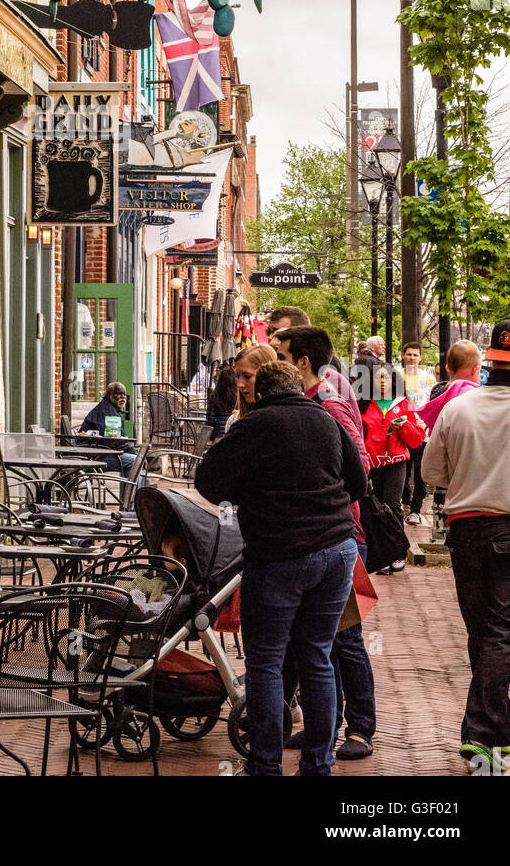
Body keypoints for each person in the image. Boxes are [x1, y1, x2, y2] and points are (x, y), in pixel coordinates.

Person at [196, 359, 366, 777]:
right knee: (318, 658)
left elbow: (208, 482)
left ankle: (265, 765)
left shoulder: (254, 427)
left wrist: (247, 490)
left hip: (279, 555)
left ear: (261, 391)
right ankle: (318, 764)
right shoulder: (326, 419)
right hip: (337, 550)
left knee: (267, 663)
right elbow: (359, 481)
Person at [274, 327, 376, 760]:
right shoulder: (311, 402)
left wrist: (324, 504)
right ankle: (324, 728)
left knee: (346, 639)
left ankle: (361, 729)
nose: (275, 363)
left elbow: (362, 467)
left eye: (280, 355)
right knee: (319, 642)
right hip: (323, 536)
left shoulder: (330, 405)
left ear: (301, 363)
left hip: (342, 537)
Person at [422, 319, 510, 773]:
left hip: (467, 531)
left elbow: (430, 474)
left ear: (489, 362)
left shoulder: (458, 409)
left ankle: (488, 733)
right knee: (500, 633)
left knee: (484, 631)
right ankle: (487, 732)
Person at [359, 363, 425, 573]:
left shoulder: (405, 404)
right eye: (377, 378)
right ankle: (381, 552)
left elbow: (416, 440)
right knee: (375, 507)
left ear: (394, 381)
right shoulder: (364, 405)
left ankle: (398, 551)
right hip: (372, 463)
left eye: (385, 378)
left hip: (396, 461)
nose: (381, 381)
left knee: (392, 503)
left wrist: (403, 426)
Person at [400, 343, 436, 526]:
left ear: (420, 357)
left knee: (421, 476)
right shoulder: (397, 377)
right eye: (409, 354)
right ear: (403, 356)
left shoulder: (429, 379)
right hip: (404, 432)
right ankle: (406, 504)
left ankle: (415, 510)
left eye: (415, 355)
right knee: (404, 477)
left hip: (423, 434)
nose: (412, 357)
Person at [79, 382, 137, 474]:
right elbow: (114, 440)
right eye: (119, 394)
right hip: (97, 457)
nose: (123, 397)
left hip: (99, 453)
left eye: (124, 394)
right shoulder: (109, 413)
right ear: (110, 395)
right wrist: (134, 452)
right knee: (136, 461)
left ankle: (139, 487)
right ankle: (136, 488)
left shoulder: (109, 409)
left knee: (137, 460)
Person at [226, 344, 277, 429]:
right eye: (237, 376)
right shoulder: (234, 422)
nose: (239, 384)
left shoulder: (286, 418)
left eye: (247, 376)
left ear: (267, 375)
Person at [205, 361, 238, 442]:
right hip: (235, 432)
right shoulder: (238, 395)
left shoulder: (215, 396)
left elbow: (210, 419)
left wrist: (211, 436)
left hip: (219, 433)